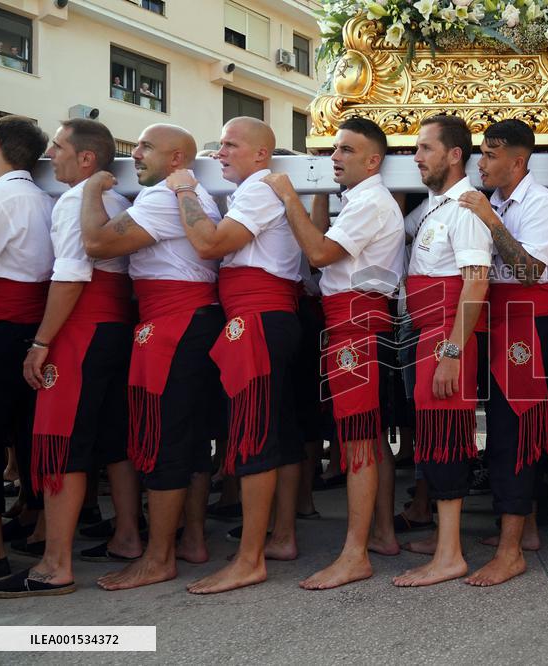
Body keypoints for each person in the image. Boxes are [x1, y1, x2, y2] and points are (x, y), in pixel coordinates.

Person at [0, 119, 144, 597]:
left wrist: (40, 343)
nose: (50, 156)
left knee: (61, 442)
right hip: (115, 326)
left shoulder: (78, 202)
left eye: (58, 148)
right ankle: (126, 536)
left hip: (82, 327)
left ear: (85, 158)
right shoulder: (116, 200)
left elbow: (71, 277)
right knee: (111, 438)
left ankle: (54, 565)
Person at [74, 124, 223, 592]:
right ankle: (192, 539)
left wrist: (92, 186)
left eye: (144, 147)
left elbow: (95, 243)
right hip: (192, 320)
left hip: (174, 323)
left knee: (167, 438)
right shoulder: (190, 196)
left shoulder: (162, 199)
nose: (133, 153)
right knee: (192, 436)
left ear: (176, 157)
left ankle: (158, 557)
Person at [263, 116, 405, 589]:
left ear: (373, 160)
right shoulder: (361, 199)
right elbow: (322, 241)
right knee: (371, 436)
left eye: (345, 150)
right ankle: (381, 534)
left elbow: (319, 253)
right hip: (355, 322)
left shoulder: (370, 202)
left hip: (357, 324)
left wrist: (288, 197)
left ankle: (355, 553)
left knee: (359, 440)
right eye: (333, 150)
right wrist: (319, 192)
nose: (335, 158)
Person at [164, 117, 305, 594]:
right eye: (219, 144)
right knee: (277, 430)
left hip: (258, 319)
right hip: (269, 317)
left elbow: (209, 244)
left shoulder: (257, 189)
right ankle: (280, 538)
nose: (219, 153)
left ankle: (249, 559)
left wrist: (184, 189)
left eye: (230, 145)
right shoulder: (258, 189)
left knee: (253, 434)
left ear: (261, 154)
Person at [456, 119, 548, 586]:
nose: (481, 163)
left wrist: (488, 218)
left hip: (528, 319)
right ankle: (526, 531)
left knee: (515, 431)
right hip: (499, 318)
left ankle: (510, 550)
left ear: (518, 160)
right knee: (505, 427)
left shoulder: (540, 204)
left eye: (490, 154)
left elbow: (526, 271)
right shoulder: (495, 200)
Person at [393, 115, 492, 587]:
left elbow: (476, 283)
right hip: (427, 336)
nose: (416, 157)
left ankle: (451, 554)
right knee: (433, 440)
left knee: (449, 440)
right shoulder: (436, 207)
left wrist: (452, 351)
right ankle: (444, 540)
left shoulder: (466, 209)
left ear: (454, 155)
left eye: (425, 148)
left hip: (446, 341)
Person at [0, 116, 53, 586]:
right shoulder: (40, 196)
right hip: (28, 323)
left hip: (3, 324)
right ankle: (32, 517)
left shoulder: (3, 197)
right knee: (22, 429)